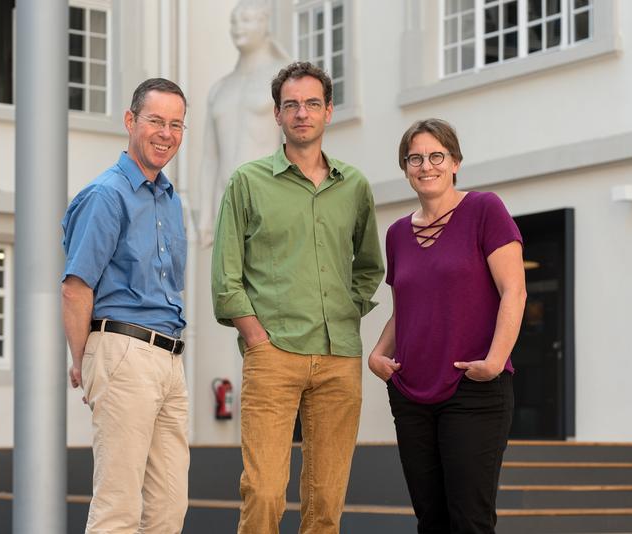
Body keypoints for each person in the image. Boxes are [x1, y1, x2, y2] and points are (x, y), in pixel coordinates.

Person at [211, 61, 385, 534]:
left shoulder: (354, 187)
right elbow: (226, 275)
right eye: (292, 105)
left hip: (338, 358)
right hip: (273, 354)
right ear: (277, 115)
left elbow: (370, 265)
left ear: (329, 111)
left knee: (326, 499)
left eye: (312, 104)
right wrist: (255, 335)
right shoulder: (247, 182)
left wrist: (349, 311)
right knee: (265, 492)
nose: (302, 113)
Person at [368, 119, 526, 533]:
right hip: (411, 392)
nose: (426, 166)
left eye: (436, 156)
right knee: (431, 520)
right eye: (415, 158)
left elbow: (515, 292)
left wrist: (494, 362)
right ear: (405, 168)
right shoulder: (398, 233)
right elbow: (407, 308)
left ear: (455, 161)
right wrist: (378, 353)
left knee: (469, 521)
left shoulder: (484, 210)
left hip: (473, 389)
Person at [61, 78, 190, 534]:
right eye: (156, 120)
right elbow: (76, 287)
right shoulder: (106, 195)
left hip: (170, 358)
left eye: (176, 124)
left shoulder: (170, 200)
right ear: (130, 121)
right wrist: (84, 359)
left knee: (168, 508)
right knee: (118, 507)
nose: (166, 133)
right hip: (123, 351)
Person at [197, 0, 289, 246]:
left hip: (270, 198)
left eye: (246, 20)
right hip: (225, 202)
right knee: (227, 282)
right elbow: (210, 157)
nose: (238, 27)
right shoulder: (220, 89)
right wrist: (205, 215)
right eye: (234, 21)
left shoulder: (284, 77)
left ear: (264, 23)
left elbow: (297, 144)